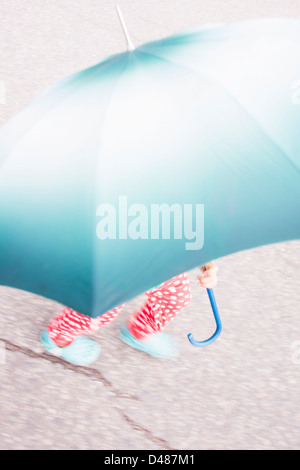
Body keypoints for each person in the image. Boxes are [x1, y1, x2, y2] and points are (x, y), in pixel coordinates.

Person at [41, 262, 218, 365]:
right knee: (97, 312)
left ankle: (142, 327)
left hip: (162, 266)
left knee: (174, 297)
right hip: (114, 271)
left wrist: (208, 267)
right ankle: (59, 336)